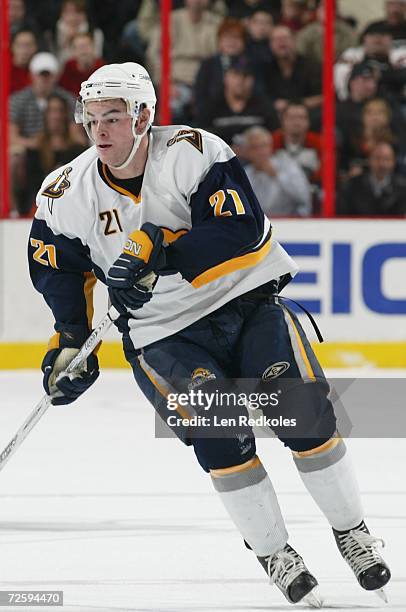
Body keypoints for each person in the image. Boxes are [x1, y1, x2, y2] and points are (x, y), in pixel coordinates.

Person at [28, 62, 391, 607]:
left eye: (113, 117)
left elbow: (240, 229)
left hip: (244, 305)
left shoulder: (195, 152)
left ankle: (352, 532)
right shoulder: (65, 195)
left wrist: (159, 247)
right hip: (165, 336)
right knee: (221, 437)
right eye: (91, 119)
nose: (99, 130)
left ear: (144, 115)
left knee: (305, 416)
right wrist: (69, 340)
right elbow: (56, 266)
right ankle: (274, 551)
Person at [243, 126, 312, 216]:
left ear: (271, 147)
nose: (261, 152)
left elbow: (304, 197)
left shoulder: (287, 165)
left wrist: (277, 175)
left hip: (291, 222)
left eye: (264, 146)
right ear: (247, 151)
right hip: (259, 225)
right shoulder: (245, 174)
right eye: (255, 147)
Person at [338, 141, 406, 215]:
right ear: (369, 160)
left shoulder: (402, 187)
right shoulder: (352, 186)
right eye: (377, 158)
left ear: (393, 162)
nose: (382, 164)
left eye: (387, 159)